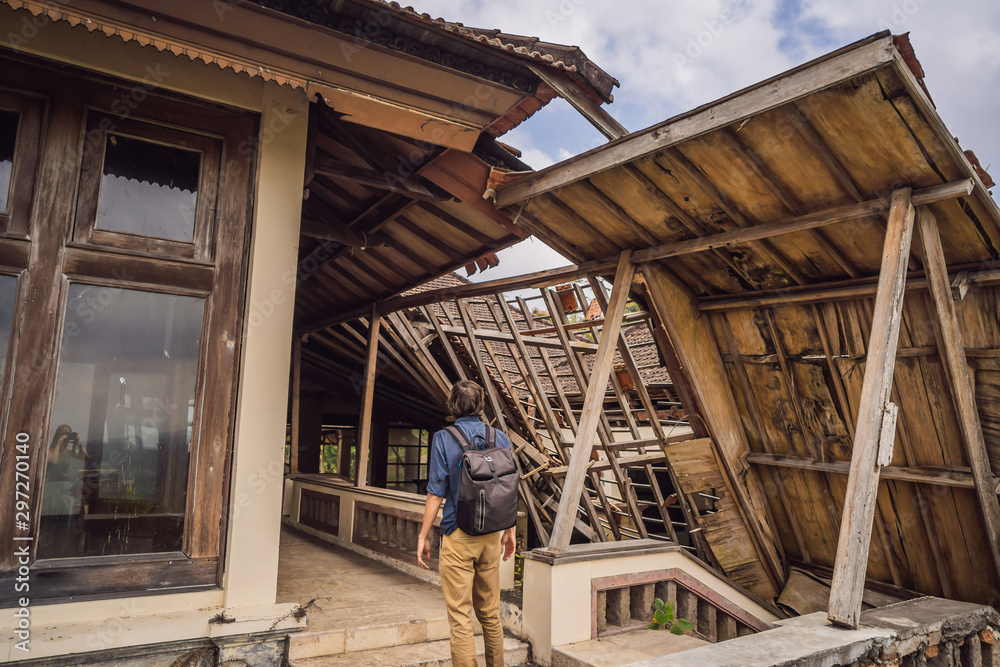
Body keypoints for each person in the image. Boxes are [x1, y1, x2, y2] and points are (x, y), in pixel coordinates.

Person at [417, 380, 516, 667]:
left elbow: (436, 492)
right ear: (481, 405)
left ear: (452, 405)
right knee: (490, 612)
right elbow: (509, 486)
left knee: (460, 617)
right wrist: (509, 531)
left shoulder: (444, 438)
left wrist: (424, 534)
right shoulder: (499, 436)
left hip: (458, 534)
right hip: (491, 536)